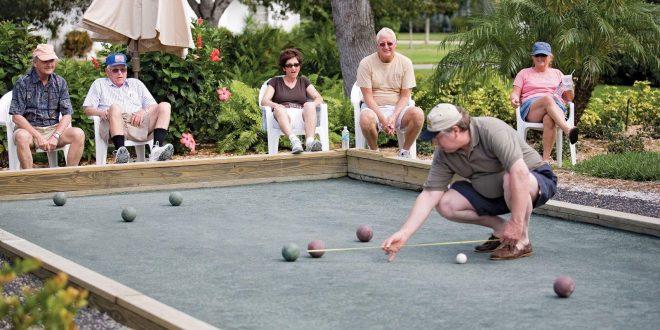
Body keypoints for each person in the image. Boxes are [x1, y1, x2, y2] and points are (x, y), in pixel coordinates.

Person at [382, 104, 557, 261]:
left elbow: (519, 173)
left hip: (534, 180)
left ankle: (522, 241)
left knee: (511, 177)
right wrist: (404, 233)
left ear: (456, 130)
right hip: (496, 191)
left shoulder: (491, 130)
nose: (434, 143)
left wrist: (517, 223)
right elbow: (429, 194)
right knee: (445, 203)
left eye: (437, 137)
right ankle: (501, 230)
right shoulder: (444, 154)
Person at [83, 53, 173, 163]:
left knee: (165, 106)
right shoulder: (99, 84)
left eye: (123, 69)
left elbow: (153, 105)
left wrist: (142, 111)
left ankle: (156, 150)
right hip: (113, 123)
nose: (120, 73)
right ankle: (120, 153)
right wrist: (101, 112)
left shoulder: (136, 84)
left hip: (137, 123)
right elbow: (87, 109)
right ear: (107, 71)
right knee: (115, 107)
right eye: (115, 70)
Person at [9, 44, 85, 169]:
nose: (49, 64)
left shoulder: (60, 82)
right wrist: (37, 136)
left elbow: (67, 115)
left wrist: (56, 136)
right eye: (45, 61)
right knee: (21, 136)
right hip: (29, 130)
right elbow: (16, 117)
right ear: (35, 63)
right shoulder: (22, 82)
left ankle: (69, 176)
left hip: (53, 129)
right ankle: (29, 180)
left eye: (51, 60)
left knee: (78, 133)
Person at [355, 27, 424, 158]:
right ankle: (375, 153)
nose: (386, 47)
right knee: (365, 119)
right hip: (373, 108)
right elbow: (367, 97)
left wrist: (393, 117)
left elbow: (405, 96)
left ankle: (405, 152)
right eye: (382, 44)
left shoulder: (405, 63)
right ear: (377, 46)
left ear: (395, 44)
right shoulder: (366, 63)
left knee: (418, 114)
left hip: (399, 109)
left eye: (390, 43)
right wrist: (382, 119)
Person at [510, 41, 579, 163]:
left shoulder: (558, 73)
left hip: (556, 107)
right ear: (533, 57)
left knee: (549, 118)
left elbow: (570, 97)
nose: (540, 58)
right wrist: (514, 98)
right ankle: (568, 130)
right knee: (547, 98)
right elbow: (515, 92)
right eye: (537, 55)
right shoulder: (524, 73)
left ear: (550, 57)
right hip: (532, 108)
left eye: (543, 55)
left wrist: (569, 87)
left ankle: (545, 161)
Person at [260, 48, 324, 154]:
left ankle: (309, 142)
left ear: (299, 66)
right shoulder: (275, 81)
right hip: (283, 117)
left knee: (309, 104)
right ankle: (294, 141)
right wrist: (276, 105)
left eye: (296, 64)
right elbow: (264, 101)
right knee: (279, 109)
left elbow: (319, 98)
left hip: (302, 116)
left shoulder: (303, 81)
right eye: (289, 65)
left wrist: (312, 105)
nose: (293, 68)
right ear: (284, 68)